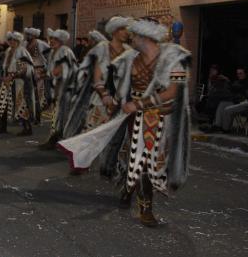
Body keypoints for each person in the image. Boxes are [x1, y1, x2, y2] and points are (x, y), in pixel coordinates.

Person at [58, 18, 191, 227]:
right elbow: (109, 76)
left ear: (146, 37)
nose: (132, 38)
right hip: (133, 117)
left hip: (161, 118)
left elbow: (174, 91)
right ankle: (136, 197)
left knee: (146, 159)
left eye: (136, 35)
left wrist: (140, 103)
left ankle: (137, 199)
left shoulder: (175, 58)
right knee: (137, 157)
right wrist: (109, 96)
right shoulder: (129, 58)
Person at [64, 17, 131, 138]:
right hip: (101, 99)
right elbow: (97, 77)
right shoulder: (103, 48)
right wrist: (105, 95)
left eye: (127, 29)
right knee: (93, 136)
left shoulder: (129, 51)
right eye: (122, 29)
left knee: (117, 139)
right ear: (114, 31)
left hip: (122, 101)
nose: (126, 32)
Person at [38, 29, 77, 150]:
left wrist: (46, 74)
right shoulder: (53, 52)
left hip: (66, 88)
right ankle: (58, 141)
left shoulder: (64, 51)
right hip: (58, 88)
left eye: (55, 39)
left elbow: (60, 70)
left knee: (62, 116)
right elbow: (52, 70)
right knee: (58, 115)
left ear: (61, 41)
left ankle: (58, 141)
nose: (52, 41)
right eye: (51, 39)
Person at [0, 31, 36, 136]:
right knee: (3, 104)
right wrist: (5, 77)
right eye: (10, 40)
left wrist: (12, 76)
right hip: (8, 81)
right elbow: (6, 67)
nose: (11, 42)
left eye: (13, 40)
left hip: (19, 83)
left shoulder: (21, 52)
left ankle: (27, 128)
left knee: (21, 104)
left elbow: (24, 68)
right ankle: (2, 126)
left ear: (18, 41)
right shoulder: (8, 51)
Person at [24, 27, 50, 125]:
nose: (26, 36)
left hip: (39, 71)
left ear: (33, 35)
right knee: (28, 95)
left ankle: (37, 118)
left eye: (28, 34)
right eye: (26, 34)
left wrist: (44, 71)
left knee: (38, 96)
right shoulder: (25, 44)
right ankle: (30, 116)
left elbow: (50, 58)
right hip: (28, 71)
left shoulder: (41, 44)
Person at [211, 67, 248, 133]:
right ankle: (217, 125)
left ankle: (225, 129)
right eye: (238, 74)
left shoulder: (246, 82)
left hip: (242, 103)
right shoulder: (237, 81)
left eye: (240, 73)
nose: (239, 75)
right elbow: (232, 88)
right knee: (222, 103)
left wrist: (228, 81)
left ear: (245, 74)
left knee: (227, 109)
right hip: (234, 101)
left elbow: (237, 88)